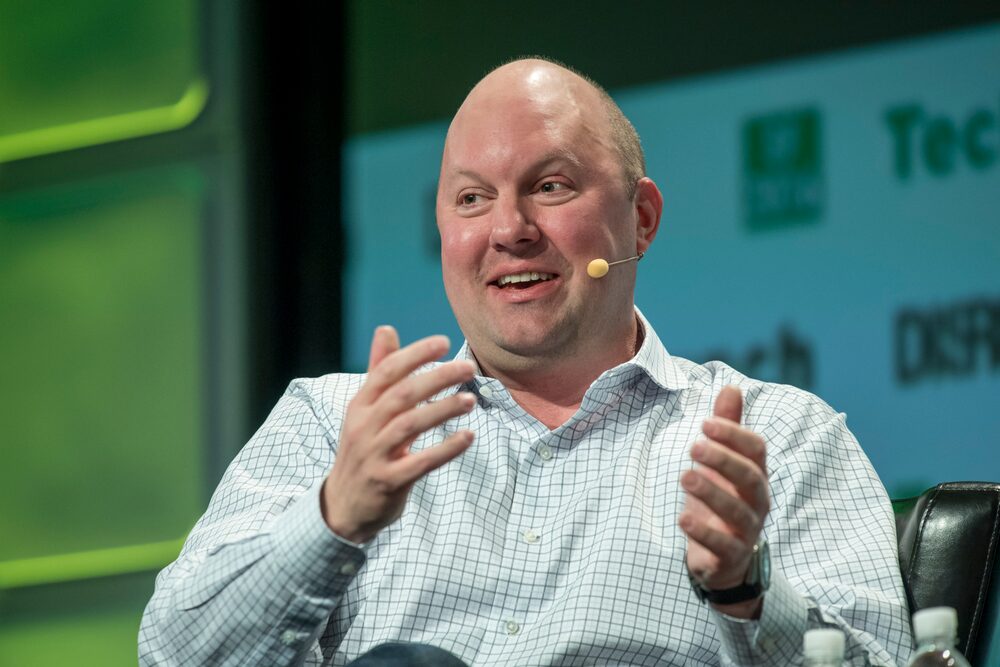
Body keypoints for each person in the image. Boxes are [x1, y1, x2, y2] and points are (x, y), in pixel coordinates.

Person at [139, 58, 912, 666]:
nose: (509, 229)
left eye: (549, 187)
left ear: (639, 219)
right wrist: (333, 519)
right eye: (472, 199)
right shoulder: (335, 425)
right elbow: (173, 655)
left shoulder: (777, 436)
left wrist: (749, 591)